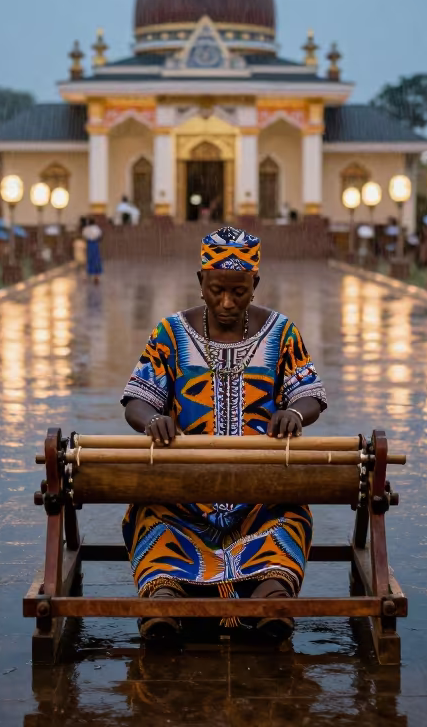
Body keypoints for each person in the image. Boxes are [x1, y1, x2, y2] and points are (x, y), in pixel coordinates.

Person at [121, 227, 327, 643]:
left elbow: (310, 395)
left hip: (261, 494)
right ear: (201, 283)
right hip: (182, 495)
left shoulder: (282, 332)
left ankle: (271, 596)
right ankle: (165, 598)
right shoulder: (170, 334)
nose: (228, 302)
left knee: (289, 518)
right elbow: (136, 400)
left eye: (240, 291)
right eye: (217, 290)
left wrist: (294, 414)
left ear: (256, 284)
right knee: (151, 516)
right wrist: (151, 422)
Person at [82, 219, 103, 284]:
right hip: (95, 244)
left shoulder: (86, 229)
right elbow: (100, 236)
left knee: (89, 259)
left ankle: (88, 275)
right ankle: (96, 276)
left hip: (89, 244)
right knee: (96, 260)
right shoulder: (97, 228)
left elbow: (84, 236)